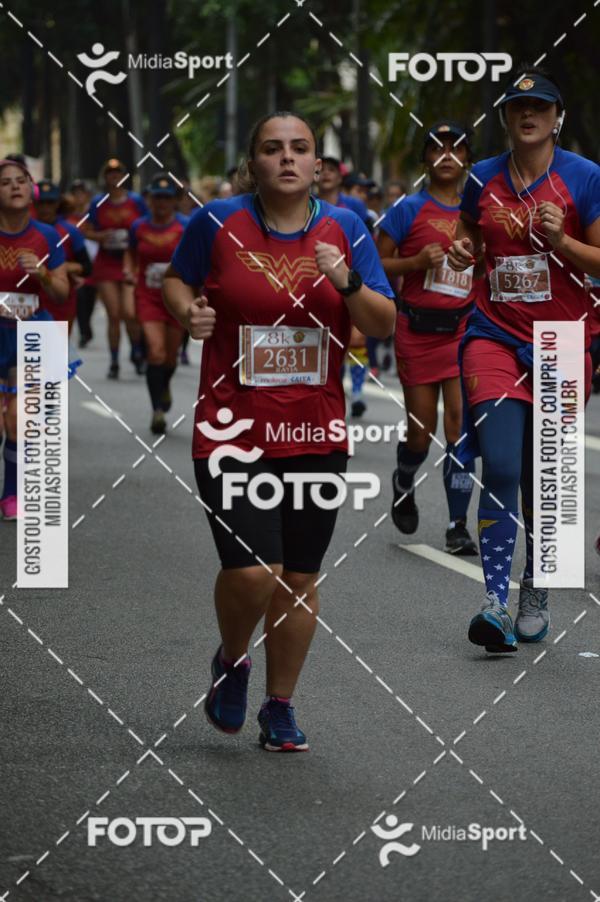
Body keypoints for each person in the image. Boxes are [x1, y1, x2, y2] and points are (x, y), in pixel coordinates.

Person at [163, 111, 395, 752]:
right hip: (232, 427)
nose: (287, 158)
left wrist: (344, 278)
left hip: (317, 431)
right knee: (252, 571)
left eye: (300, 149)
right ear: (254, 163)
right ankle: (232, 660)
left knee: (298, 579)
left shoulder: (346, 227)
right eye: (273, 148)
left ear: (317, 164)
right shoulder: (217, 222)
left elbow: (381, 325)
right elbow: (175, 280)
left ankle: (280, 706)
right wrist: (189, 314)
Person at [447, 65, 600, 652]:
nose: (528, 115)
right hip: (493, 334)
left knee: (546, 479)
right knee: (504, 464)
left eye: (539, 108)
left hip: (563, 341)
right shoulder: (481, 177)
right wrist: (464, 251)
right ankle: (493, 601)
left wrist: (563, 243)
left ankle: (535, 584)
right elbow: (471, 239)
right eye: (516, 108)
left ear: (557, 119)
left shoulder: (585, 178)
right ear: (507, 119)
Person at [378, 121, 478, 556]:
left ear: (467, 159)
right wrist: (416, 261)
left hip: (463, 330)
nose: (447, 155)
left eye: (456, 148)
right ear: (425, 158)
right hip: (417, 331)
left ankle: (457, 525)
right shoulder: (406, 209)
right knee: (422, 432)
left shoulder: (478, 208)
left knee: (459, 426)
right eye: (437, 148)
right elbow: (375, 264)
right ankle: (404, 480)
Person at [0, 159, 69, 520]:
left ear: (31, 189)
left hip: (31, 333)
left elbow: (60, 292)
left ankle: (11, 493)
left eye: (21, 181)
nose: (14, 187)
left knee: (18, 419)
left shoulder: (46, 235)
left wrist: (42, 272)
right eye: (5, 182)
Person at [125, 174, 187, 435]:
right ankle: (157, 411)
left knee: (170, 357)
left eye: (167, 198)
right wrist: (129, 270)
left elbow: (197, 258)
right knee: (156, 351)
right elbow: (130, 253)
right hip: (148, 296)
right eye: (157, 198)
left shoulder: (185, 226)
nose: (161, 203)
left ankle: (165, 385)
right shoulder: (138, 226)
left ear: (175, 200)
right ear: (149, 199)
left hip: (177, 297)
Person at [84, 159, 148, 378]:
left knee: (130, 313)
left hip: (130, 261)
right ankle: (113, 361)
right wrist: (101, 236)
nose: (114, 176)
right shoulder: (97, 202)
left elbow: (147, 225)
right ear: (105, 177)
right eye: (109, 173)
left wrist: (133, 239)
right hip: (106, 263)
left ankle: (138, 351)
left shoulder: (136, 201)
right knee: (114, 314)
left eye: (118, 172)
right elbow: (86, 230)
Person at [33, 180, 92, 334]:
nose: (45, 207)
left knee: (56, 351)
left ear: (58, 203)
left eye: (50, 202)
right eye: (41, 202)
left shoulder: (70, 231)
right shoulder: (25, 229)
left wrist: (65, 266)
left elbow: (87, 267)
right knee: (31, 354)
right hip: (31, 301)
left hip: (61, 299)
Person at [66, 179, 98, 347]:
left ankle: (86, 327)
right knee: (80, 296)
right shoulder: (65, 216)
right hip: (73, 261)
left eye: (82, 193)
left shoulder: (93, 214)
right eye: (75, 193)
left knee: (90, 298)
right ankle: (84, 331)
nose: (78, 197)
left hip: (93, 260)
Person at [317, 156, 372, 227]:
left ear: (340, 178)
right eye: (321, 169)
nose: (326, 173)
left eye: (331, 170)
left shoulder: (355, 204)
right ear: (315, 176)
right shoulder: (307, 204)